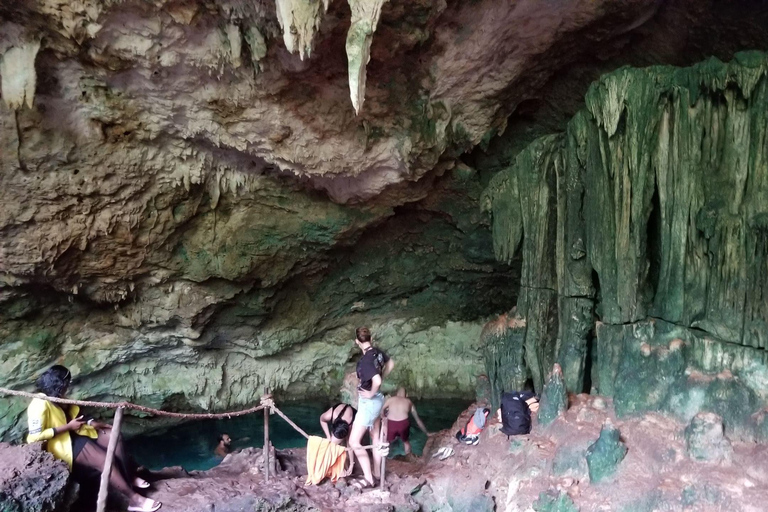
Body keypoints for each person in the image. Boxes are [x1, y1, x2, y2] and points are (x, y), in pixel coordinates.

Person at [26, 365, 161, 512]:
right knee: (104, 460)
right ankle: (134, 500)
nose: (69, 387)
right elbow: (34, 437)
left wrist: (91, 423)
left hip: (76, 432)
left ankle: (128, 476)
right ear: (59, 384)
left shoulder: (56, 396)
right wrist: (68, 427)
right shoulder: (38, 404)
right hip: (62, 443)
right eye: (67, 383)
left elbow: (74, 414)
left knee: (113, 437)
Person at [348, 327, 394, 490]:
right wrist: (382, 376)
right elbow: (391, 363)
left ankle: (368, 478)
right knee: (375, 436)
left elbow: (377, 381)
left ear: (357, 341)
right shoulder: (377, 352)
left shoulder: (366, 360)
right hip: (378, 401)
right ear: (370, 338)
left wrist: (371, 392)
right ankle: (376, 472)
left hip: (369, 403)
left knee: (354, 441)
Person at [382, 388, 428, 456]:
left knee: (387, 441)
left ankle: (387, 456)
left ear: (397, 393)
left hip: (391, 423)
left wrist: (384, 419)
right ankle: (408, 455)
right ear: (406, 395)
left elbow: (381, 411)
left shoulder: (390, 400)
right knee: (406, 442)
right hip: (403, 424)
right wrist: (426, 432)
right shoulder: (409, 402)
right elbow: (417, 420)